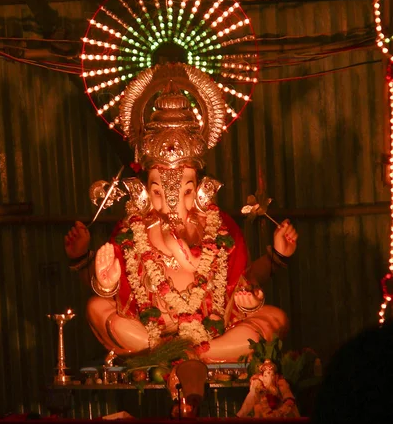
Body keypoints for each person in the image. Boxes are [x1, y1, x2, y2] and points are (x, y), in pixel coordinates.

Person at [65, 63, 297, 362]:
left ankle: (196, 354)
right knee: (96, 309)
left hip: (214, 332)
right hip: (148, 331)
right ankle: (170, 352)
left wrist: (276, 260)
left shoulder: (220, 227)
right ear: (146, 189)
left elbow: (245, 282)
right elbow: (113, 293)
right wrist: (92, 269)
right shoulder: (132, 229)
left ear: (199, 187)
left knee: (274, 318)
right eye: (159, 192)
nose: (172, 204)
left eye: (186, 191)